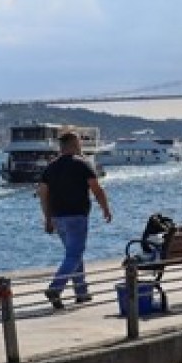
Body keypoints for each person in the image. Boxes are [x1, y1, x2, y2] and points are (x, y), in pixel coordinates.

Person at [38, 130, 112, 310]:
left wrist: (48, 219)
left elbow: (43, 195)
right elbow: (96, 189)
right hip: (77, 217)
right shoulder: (82, 164)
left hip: (57, 217)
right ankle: (55, 288)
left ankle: (81, 293)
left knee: (74, 254)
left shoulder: (50, 167)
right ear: (73, 144)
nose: (80, 146)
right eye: (78, 143)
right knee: (74, 254)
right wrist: (105, 208)